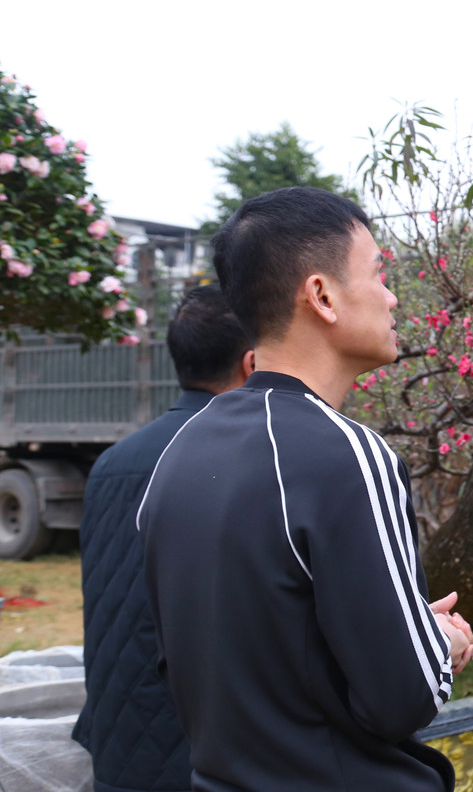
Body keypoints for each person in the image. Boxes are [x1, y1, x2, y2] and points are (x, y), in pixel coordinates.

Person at [136, 187, 473, 792]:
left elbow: (223, 651)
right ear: (321, 295)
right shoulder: (347, 455)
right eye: (379, 273)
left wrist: (397, 623)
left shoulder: (178, 453)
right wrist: (439, 641)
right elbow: (405, 699)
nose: (393, 296)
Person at [74, 285, 254, 792]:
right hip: (205, 760)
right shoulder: (244, 459)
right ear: (252, 362)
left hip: (118, 746)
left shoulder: (111, 463)